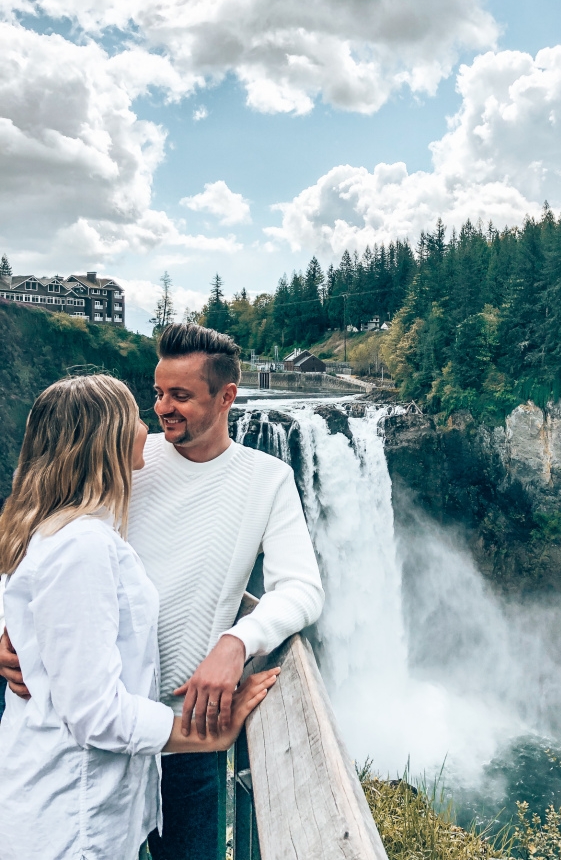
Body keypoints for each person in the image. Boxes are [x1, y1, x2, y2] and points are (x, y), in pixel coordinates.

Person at [1, 323, 325, 860]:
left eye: (180, 395)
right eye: (156, 393)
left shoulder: (266, 480)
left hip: (187, 727)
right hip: (97, 723)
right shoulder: (124, 456)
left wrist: (237, 642)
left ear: (227, 398)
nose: (161, 409)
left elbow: (303, 589)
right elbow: (42, 535)